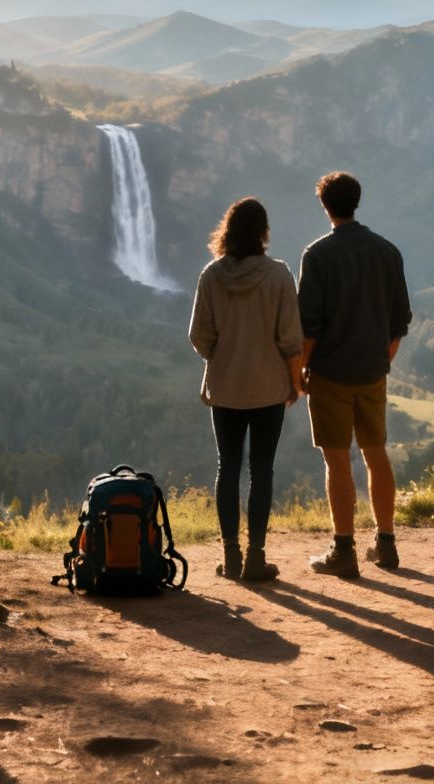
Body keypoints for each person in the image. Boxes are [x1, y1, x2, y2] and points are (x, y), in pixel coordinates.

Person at [296, 171, 410, 578]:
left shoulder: (317, 255)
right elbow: (399, 324)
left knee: (337, 458)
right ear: (356, 201)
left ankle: (343, 550)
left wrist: (300, 371)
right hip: (373, 371)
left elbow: (307, 327)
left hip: (330, 373)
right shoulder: (388, 252)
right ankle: (386, 543)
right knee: (376, 454)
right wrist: (382, 361)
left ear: (325, 205)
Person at [188, 197, 305, 582]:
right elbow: (291, 338)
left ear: (227, 230)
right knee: (262, 470)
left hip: (224, 389)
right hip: (269, 388)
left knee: (228, 467)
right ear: (262, 233)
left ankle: (231, 556)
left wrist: (222, 356)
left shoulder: (210, 275)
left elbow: (199, 336)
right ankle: (256, 556)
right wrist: (294, 381)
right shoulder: (280, 275)